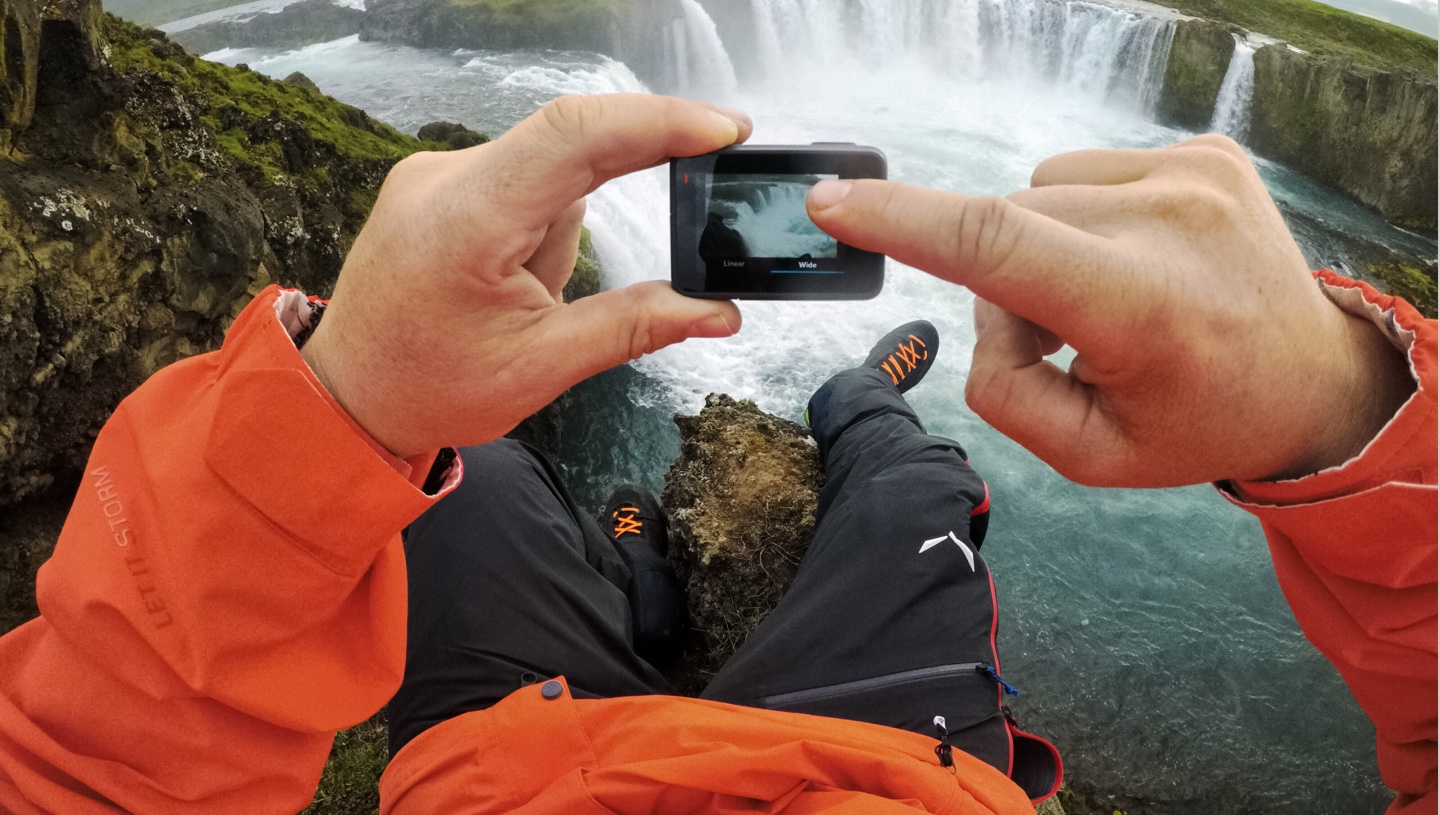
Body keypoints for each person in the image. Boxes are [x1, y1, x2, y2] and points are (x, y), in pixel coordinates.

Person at [0, 94, 1431, 814]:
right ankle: (858, 402)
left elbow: (79, 779)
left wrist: (352, 409)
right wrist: (1349, 416)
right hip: (895, 760)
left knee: (467, 477)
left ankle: (640, 575)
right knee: (911, 482)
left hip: (506, 762)